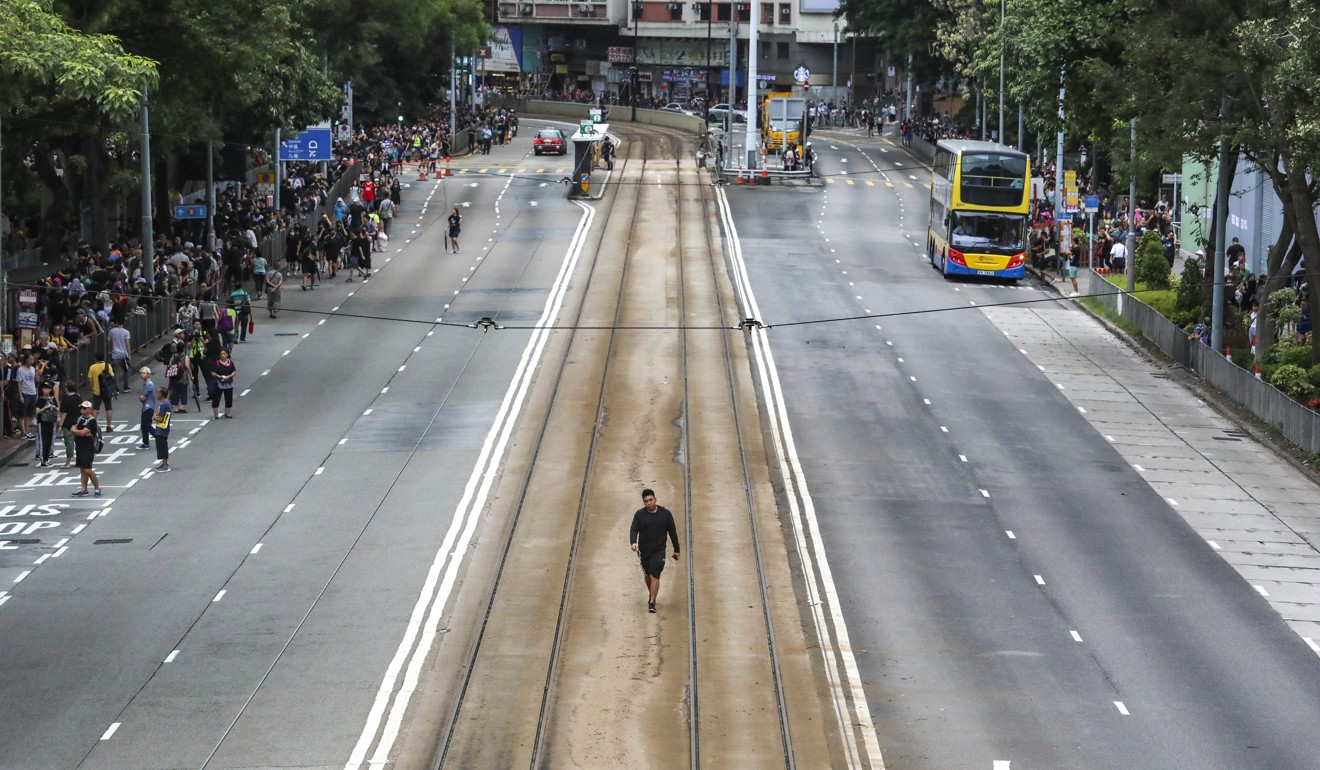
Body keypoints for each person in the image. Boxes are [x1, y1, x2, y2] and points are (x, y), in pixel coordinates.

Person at [628, 488, 680, 613]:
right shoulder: (639, 515)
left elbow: (672, 532)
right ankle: (652, 593)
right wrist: (633, 542)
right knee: (648, 575)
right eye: (646, 501)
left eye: (651, 500)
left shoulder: (665, 514)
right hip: (644, 550)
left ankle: (652, 602)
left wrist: (676, 549)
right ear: (643, 502)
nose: (649, 503)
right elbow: (633, 529)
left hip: (659, 550)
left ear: (655, 499)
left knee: (655, 574)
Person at [70, 401, 102, 498]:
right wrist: (77, 431)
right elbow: (76, 429)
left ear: (89, 409)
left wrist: (75, 431)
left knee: (88, 469)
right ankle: (84, 490)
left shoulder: (92, 420)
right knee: (82, 469)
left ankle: (97, 488)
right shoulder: (80, 418)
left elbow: (83, 432)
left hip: (87, 446)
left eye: (84, 408)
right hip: (79, 445)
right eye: (81, 408)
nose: (82, 410)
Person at [86, 353, 115, 433]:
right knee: (108, 408)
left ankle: (93, 427)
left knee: (95, 408)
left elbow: (90, 379)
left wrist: (92, 387)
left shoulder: (92, 367)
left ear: (96, 359)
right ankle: (109, 426)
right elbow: (112, 377)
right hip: (107, 390)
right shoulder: (107, 366)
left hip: (96, 391)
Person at [34, 381, 58, 467]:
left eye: (47, 388)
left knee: (49, 441)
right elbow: (37, 412)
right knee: (43, 441)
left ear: (50, 389)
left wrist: (54, 407)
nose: (45, 390)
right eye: (44, 388)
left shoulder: (52, 398)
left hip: (51, 422)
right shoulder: (40, 399)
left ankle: (46, 459)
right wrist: (45, 407)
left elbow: (58, 409)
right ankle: (42, 460)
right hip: (42, 422)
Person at [58, 380, 80, 468]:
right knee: (78, 442)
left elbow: (63, 414)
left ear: (67, 389)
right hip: (78, 423)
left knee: (69, 443)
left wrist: (60, 425)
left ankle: (68, 462)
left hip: (68, 424)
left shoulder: (66, 400)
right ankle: (80, 460)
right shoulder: (78, 397)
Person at [210, 347, 237, 419]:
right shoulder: (217, 363)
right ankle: (216, 414)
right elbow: (212, 372)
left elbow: (234, 371)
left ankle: (227, 413)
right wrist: (218, 376)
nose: (223, 355)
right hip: (219, 383)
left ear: (227, 354)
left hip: (228, 383)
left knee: (229, 398)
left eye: (224, 354)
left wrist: (230, 376)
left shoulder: (230, 363)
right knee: (216, 398)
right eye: (221, 354)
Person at [135, 366, 158, 450]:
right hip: (146, 407)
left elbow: (143, 397)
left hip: (148, 407)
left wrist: (141, 397)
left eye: (143, 373)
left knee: (147, 426)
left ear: (148, 374)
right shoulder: (146, 384)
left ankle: (158, 437)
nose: (142, 375)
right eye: (141, 373)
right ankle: (145, 443)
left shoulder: (149, 384)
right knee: (144, 426)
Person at [107, 318, 132, 391]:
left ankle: (116, 388)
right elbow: (127, 344)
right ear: (124, 322)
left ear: (117, 322)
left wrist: (109, 351)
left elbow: (108, 342)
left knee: (115, 372)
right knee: (126, 370)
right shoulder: (126, 332)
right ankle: (126, 387)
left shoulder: (112, 331)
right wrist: (129, 355)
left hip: (115, 354)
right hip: (123, 355)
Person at [152, 386, 172, 472]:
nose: (156, 394)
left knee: (163, 446)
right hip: (161, 428)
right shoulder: (165, 403)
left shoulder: (165, 404)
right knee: (161, 446)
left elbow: (161, 418)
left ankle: (165, 465)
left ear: (161, 394)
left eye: (158, 393)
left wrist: (154, 418)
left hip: (162, 428)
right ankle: (164, 464)